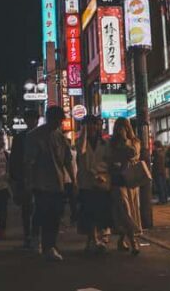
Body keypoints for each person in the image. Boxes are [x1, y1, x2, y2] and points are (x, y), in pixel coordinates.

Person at [24, 106, 75, 261]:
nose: (57, 123)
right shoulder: (35, 136)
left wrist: (73, 180)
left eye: (59, 121)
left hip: (58, 182)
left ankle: (49, 245)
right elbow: (29, 162)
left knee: (55, 215)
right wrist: (28, 183)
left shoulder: (60, 136)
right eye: (55, 120)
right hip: (40, 183)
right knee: (43, 214)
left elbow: (67, 161)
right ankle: (43, 243)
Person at [76, 115, 112, 253]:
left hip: (101, 182)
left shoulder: (104, 143)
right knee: (88, 212)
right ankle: (92, 239)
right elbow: (81, 151)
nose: (92, 127)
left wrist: (99, 172)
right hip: (86, 182)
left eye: (94, 125)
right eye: (88, 125)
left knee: (101, 212)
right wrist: (84, 132)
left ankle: (100, 239)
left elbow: (108, 161)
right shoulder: (81, 141)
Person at [106, 117, 142, 256]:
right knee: (124, 209)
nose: (121, 130)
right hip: (116, 180)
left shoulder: (134, 141)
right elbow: (109, 158)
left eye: (124, 127)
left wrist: (125, 140)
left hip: (131, 180)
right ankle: (133, 241)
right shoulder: (111, 143)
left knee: (129, 211)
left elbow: (133, 154)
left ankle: (122, 239)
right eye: (119, 128)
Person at [9, 109, 40, 249]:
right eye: (29, 119)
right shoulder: (20, 138)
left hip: (41, 178)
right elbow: (14, 160)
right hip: (25, 178)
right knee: (27, 209)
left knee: (39, 208)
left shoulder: (43, 135)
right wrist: (15, 179)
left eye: (33, 119)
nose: (31, 122)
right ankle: (28, 235)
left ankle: (36, 235)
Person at [152, 140, 168, 204]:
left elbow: (154, 160)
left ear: (156, 145)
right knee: (163, 185)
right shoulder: (163, 151)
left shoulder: (155, 151)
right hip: (162, 170)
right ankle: (165, 199)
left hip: (157, 170)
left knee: (160, 186)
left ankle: (162, 200)